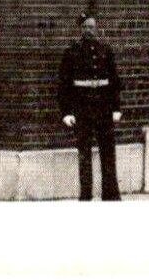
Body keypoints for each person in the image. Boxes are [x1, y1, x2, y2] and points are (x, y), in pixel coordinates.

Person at [58, 13, 123, 201]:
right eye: (85, 27)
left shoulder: (106, 50)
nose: (89, 30)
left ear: (97, 28)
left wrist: (116, 108)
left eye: (92, 27)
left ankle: (111, 195)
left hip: (103, 107)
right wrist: (67, 112)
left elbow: (114, 82)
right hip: (82, 108)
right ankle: (85, 196)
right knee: (84, 153)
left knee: (108, 152)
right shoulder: (72, 52)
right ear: (80, 29)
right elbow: (64, 84)